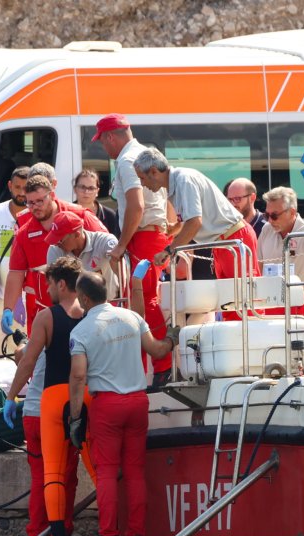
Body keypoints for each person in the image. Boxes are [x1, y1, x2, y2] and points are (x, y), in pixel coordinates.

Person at [67, 271, 175, 536]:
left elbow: (78, 377)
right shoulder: (132, 318)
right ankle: (136, 534)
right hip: (138, 401)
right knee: (135, 471)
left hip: (108, 405)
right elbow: (158, 351)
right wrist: (172, 338)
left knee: (106, 472)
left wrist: (76, 417)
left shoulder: (81, 331)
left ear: (83, 298)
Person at [4, 256, 94, 536]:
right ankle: (63, 534)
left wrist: (9, 397)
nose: (46, 288)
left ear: (62, 284)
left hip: (41, 410)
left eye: (49, 283)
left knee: (44, 476)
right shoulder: (91, 316)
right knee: (68, 478)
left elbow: (27, 361)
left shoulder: (46, 317)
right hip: (76, 409)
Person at [92, 114, 175, 381]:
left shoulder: (128, 161)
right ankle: (151, 369)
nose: (104, 149)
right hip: (153, 235)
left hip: (144, 238)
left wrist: (121, 246)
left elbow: (136, 206)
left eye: (103, 143)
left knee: (144, 301)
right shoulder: (148, 153)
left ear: (110, 137)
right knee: (143, 301)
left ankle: (160, 370)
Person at [0, 175, 106, 336]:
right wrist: (8, 308)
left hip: (87, 309)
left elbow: (107, 249)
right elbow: (16, 272)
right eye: (30, 203)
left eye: (40, 201)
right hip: (46, 310)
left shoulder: (79, 216)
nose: (35, 207)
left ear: (52, 195)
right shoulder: (24, 233)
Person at [136, 147, 262, 281]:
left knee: (245, 297)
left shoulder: (184, 180)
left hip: (233, 238)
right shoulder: (177, 182)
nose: (142, 184)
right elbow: (192, 218)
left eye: (142, 178)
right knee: (232, 297)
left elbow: (195, 221)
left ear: (154, 172)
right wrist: (177, 228)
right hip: (226, 240)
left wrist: (168, 251)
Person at [257, 186, 304, 319]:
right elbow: (259, 266)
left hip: (297, 304)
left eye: (274, 215)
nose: (269, 220)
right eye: (266, 215)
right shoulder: (266, 229)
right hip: (269, 303)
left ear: (292, 212)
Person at [72, 169, 120, 238]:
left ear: (97, 191)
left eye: (91, 188)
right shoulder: (66, 212)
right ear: (75, 189)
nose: (86, 191)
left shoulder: (109, 215)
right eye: (82, 187)